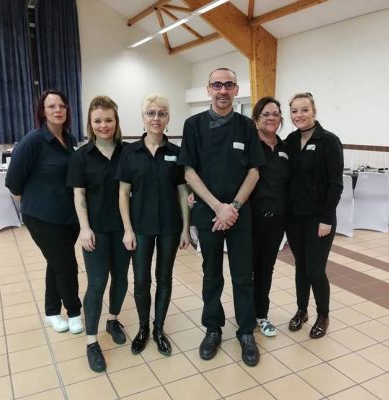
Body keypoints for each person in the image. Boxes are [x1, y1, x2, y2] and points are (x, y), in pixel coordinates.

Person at [178, 68, 266, 367]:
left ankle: (245, 332)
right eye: (217, 85)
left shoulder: (246, 126)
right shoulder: (193, 125)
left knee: (243, 275)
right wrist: (218, 207)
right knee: (211, 273)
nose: (223, 91)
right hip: (208, 212)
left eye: (229, 85)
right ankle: (213, 329)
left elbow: (254, 171)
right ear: (208, 90)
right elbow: (189, 171)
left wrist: (234, 207)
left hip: (240, 214)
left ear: (236, 89)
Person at [117, 93, 190, 356]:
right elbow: (123, 193)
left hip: (170, 226)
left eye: (161, 113)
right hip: (140, 227)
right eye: (151, 113)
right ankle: (143, 328)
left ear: (168, 118)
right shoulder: (129, 152)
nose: (156, 118)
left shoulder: (176, 153)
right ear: (143, 118)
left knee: (164, 278)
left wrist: (186, 229)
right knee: (141, 280)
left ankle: (159, 329)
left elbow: (182, 192)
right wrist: (127, 229)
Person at [5, 89, 83, 334]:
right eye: (51, 106)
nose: (58, 110)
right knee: (67, 266)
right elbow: (13, 182)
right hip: (42, 218)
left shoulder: (69, 139)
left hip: (68, 217)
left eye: (62, 106)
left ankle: (51, 312)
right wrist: (36, 200)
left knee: (56, 263)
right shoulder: (33, 141)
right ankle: (74, 313)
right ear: (42, 111)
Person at [67, 96, 131, 372]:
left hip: (123, 229)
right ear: (90, 124)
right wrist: (84, 227)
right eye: (97, 120)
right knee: (96, 283)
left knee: (121, 279)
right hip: (95, 231)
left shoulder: (128, 152)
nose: (103, 125)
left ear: (116, 121)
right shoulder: (81, 156)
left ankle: (113, 320)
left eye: (108, 119)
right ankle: (91, 341)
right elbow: (79, 195)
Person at [285, 92, 343, 339]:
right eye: (294, 111)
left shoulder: (328, 140)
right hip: (294, 218)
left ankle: (323, 315)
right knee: (301, 267)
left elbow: (336, 184)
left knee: (316, 269)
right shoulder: (290, 140)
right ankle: (302, 310)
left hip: (319, 218)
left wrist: (327, 218)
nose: (299, 115)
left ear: (314, 111)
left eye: (304, 110)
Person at [250, 97, 290, 337]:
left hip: (276, 221)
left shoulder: (286, 148)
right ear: (256, 119)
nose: (271, 118)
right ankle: (245, 316)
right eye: (266, 114)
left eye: (275, 114)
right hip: (250, 219)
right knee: (246, 270)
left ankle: (261, 315)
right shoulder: (250, 145)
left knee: (266, 269)